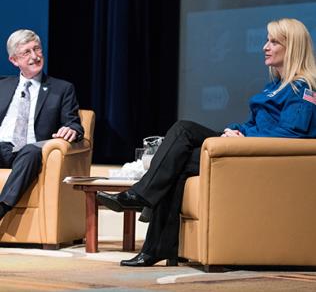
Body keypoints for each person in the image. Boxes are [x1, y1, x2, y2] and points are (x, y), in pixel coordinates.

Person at [97, 18, 316, 267]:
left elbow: (291, 135)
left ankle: (141, 196)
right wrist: (235, 130)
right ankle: (154, 247)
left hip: (256, 160)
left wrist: (245, 139)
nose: (265, 46)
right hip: (246, 149)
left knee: (182, 135)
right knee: (179, 154)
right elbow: (256, 125)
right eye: (267, 40)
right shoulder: (274, 87)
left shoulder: (303, 90)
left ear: (293, 48)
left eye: (274, 42)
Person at [0, 29, 83, 220]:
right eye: (26, 52)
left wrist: (72, 129)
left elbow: (74, 123)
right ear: (14, 60)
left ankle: (2, 208)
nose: (35, 56)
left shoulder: (62, 89)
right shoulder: (2, 86)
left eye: (37, 49)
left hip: (29, 152)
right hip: (2, 146)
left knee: (31, 150)